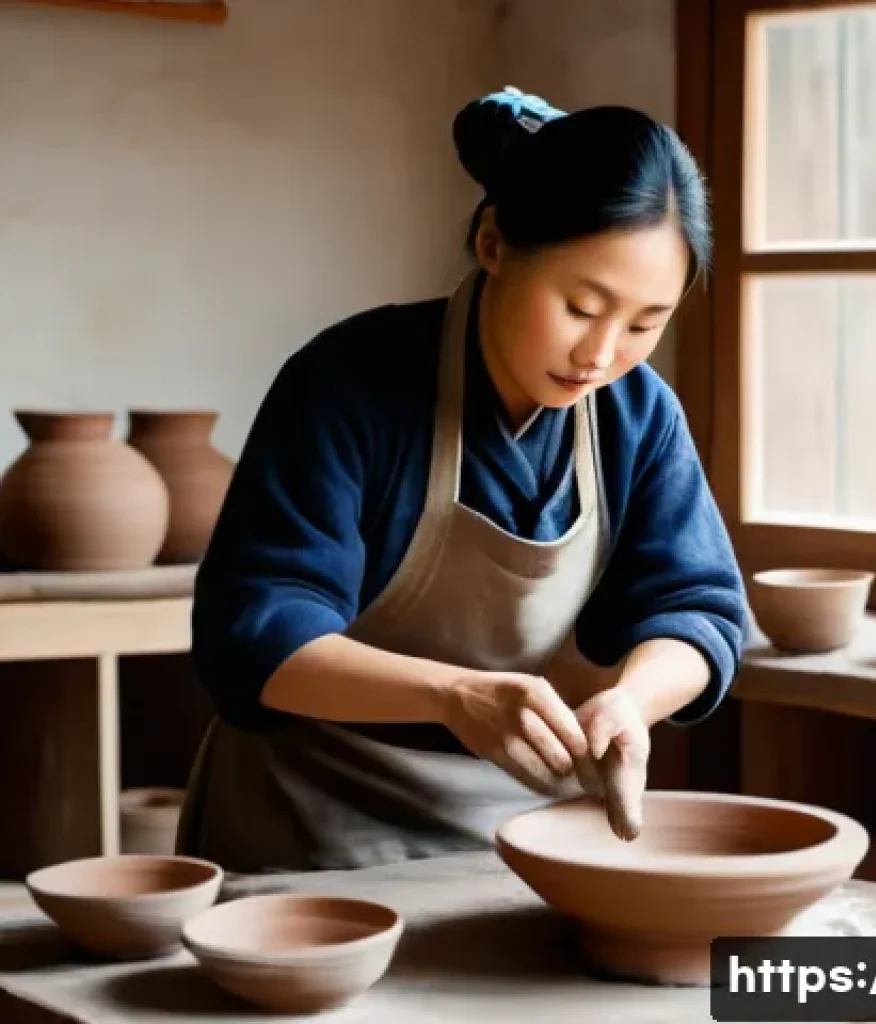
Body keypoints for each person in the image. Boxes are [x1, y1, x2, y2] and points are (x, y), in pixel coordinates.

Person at [175, 87, 748, 874]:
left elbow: (698, 608)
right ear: (492, 243)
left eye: (645, 324)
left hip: (519, 835)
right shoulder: (348, 384)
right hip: (308, 824)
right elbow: (256, 631)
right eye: (582, 306)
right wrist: (454, 696)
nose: (601, 353)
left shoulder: (637, 416)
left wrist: (633, 702)